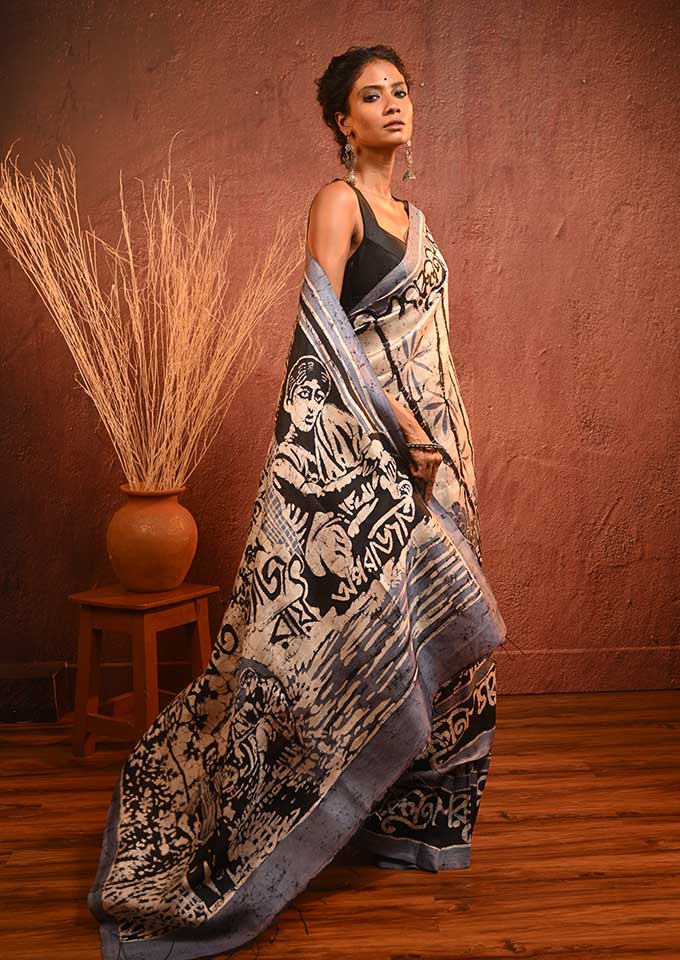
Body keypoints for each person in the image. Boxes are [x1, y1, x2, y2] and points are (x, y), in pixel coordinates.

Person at [88, 44, 509, 960]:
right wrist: (401, 425)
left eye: (402, 91)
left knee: (445, 639)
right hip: (368, 452)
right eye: (372, 95)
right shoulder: (339, 203)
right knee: (342, 631)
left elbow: (431, 347)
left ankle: (411, 823)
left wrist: (442, 443)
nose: (393, 104)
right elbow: (323, 335)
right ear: (342, 121)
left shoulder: (420, 222)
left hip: (443, 458)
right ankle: (277, 815)